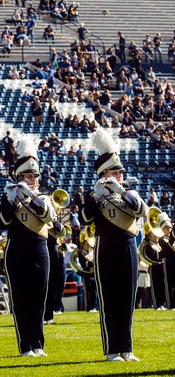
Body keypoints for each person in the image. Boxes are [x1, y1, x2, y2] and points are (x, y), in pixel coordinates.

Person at [80, 128, 147, 362]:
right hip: (105, 248)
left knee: (127, 299)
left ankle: (127, 348)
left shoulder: (130, 193)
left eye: (120, 172)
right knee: (109, 299)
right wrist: (97, 196)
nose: (119, 175)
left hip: (128, 248)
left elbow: (142, 211)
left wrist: (121, 191)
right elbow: (84, 219)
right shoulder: (94, 195)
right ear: (103, 173)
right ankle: (111, 349)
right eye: (115, 172)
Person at [0, 138, 58, 357]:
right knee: (21, 300)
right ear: (19, 177)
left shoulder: (44, 198)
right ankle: (25, 346)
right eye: (28, 176)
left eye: (35, 176)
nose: (33, 179)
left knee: (39, 299)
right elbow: (1, 223)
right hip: (17, 250)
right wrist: (12, 201)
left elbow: (51, 219)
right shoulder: (8, 195)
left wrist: (30, 196)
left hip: (40, 250)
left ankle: (38, 344)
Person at [139, 218, 166, 310]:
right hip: (154, 267)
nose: (157, 237)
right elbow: (152, 256)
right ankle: (156, 304)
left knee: (162, 286)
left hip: (161, 267)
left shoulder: (158, 245)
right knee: (155, 286)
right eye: (154, 235)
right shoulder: (148, 245)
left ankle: (162, 303)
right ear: (150, 236)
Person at [158, 214, 175, 309]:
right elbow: (168, 249)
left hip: (173, 263)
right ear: (163, 229)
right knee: (168, 284)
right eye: (167, 228)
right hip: (167, 263)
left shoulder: (170, 239)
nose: (169, 230)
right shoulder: (161, 239)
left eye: (170, 228)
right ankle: (169, 304)